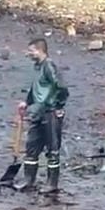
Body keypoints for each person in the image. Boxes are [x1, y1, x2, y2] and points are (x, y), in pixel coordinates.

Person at [15, 37, 67, 195]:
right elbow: (34, 88)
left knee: (52, 150)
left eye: (31, 51)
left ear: (40, 50)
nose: (28, 54)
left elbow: (62, 87)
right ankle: (29, 180)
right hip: (37, 112)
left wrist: (58, 105)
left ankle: (52, 184)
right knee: (31, 147)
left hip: (50, 113)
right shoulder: (37, 67)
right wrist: (27, 102)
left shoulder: (49, 66)